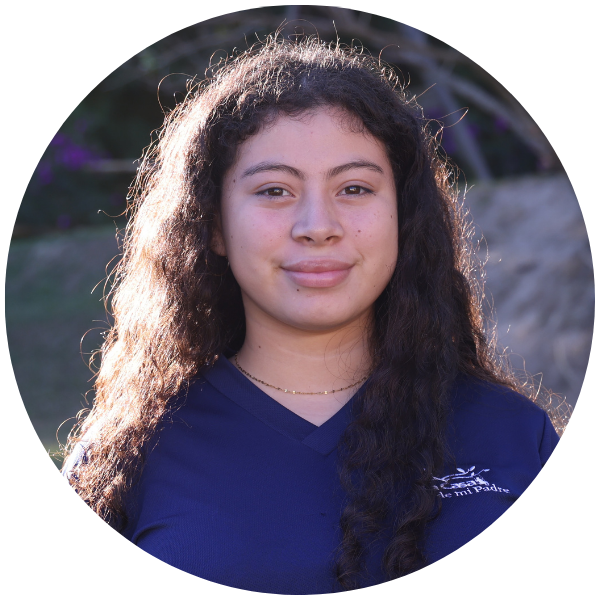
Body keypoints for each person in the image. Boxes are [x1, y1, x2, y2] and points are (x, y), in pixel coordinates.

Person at [61, 35, 564, 593]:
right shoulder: (127, 459)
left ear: (403, 216)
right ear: (214, 226)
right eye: (274, 190)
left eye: (355, 188)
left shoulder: (514, 435)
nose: (318, 225)